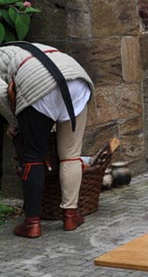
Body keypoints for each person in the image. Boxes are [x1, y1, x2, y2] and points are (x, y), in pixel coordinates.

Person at [0, 42, 94, 238]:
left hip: (39, 84)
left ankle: (32, 223)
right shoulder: (26, 47)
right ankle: (70, 215)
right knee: (70, 155)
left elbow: (1, 94)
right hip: (77, 80)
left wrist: (13, 122)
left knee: (32, 156)